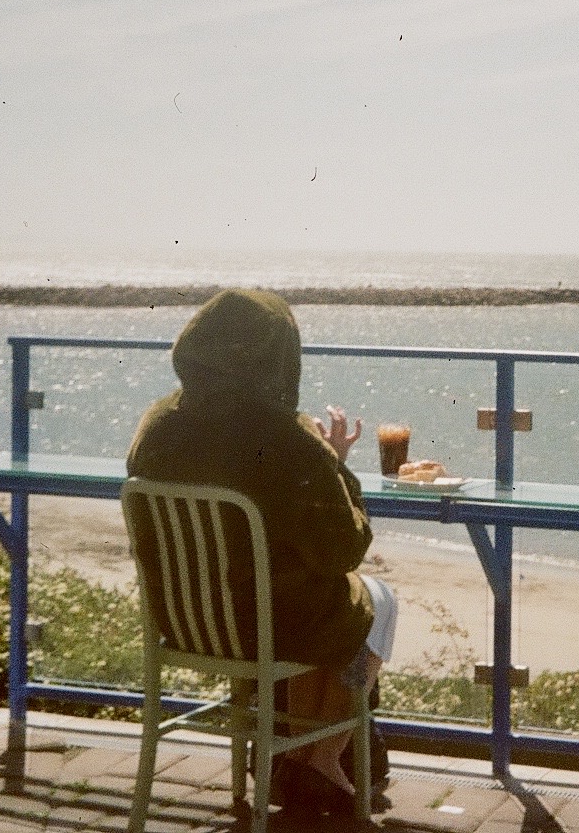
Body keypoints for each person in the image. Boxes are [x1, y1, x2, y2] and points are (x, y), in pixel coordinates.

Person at [126, 288, 396, 815]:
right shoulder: (288, 438)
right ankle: (317, 756)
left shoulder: (157, 425)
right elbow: (345, 547)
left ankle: (293, 762)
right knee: (377, 600)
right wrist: (336, 465)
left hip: (184, 621)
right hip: (269, 627)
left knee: (320, 597)